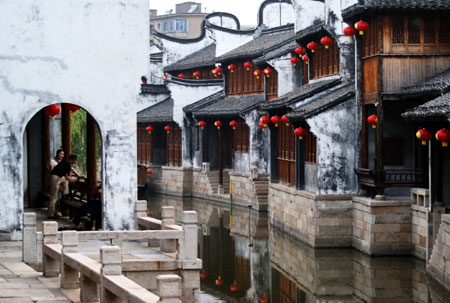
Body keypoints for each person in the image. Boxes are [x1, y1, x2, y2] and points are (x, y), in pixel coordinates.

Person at [48, 154, 79, 218]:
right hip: (55, 178)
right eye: (75, 161)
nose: (75, 162)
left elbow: (72, 169)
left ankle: (65, 193)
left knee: (64, 181)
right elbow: (68, 178)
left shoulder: (65, 161)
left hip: (57, 177)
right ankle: (50, 214)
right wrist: (75, 180)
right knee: (53, 197)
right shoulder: (67, 164)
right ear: (73, 160)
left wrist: (78, 175)